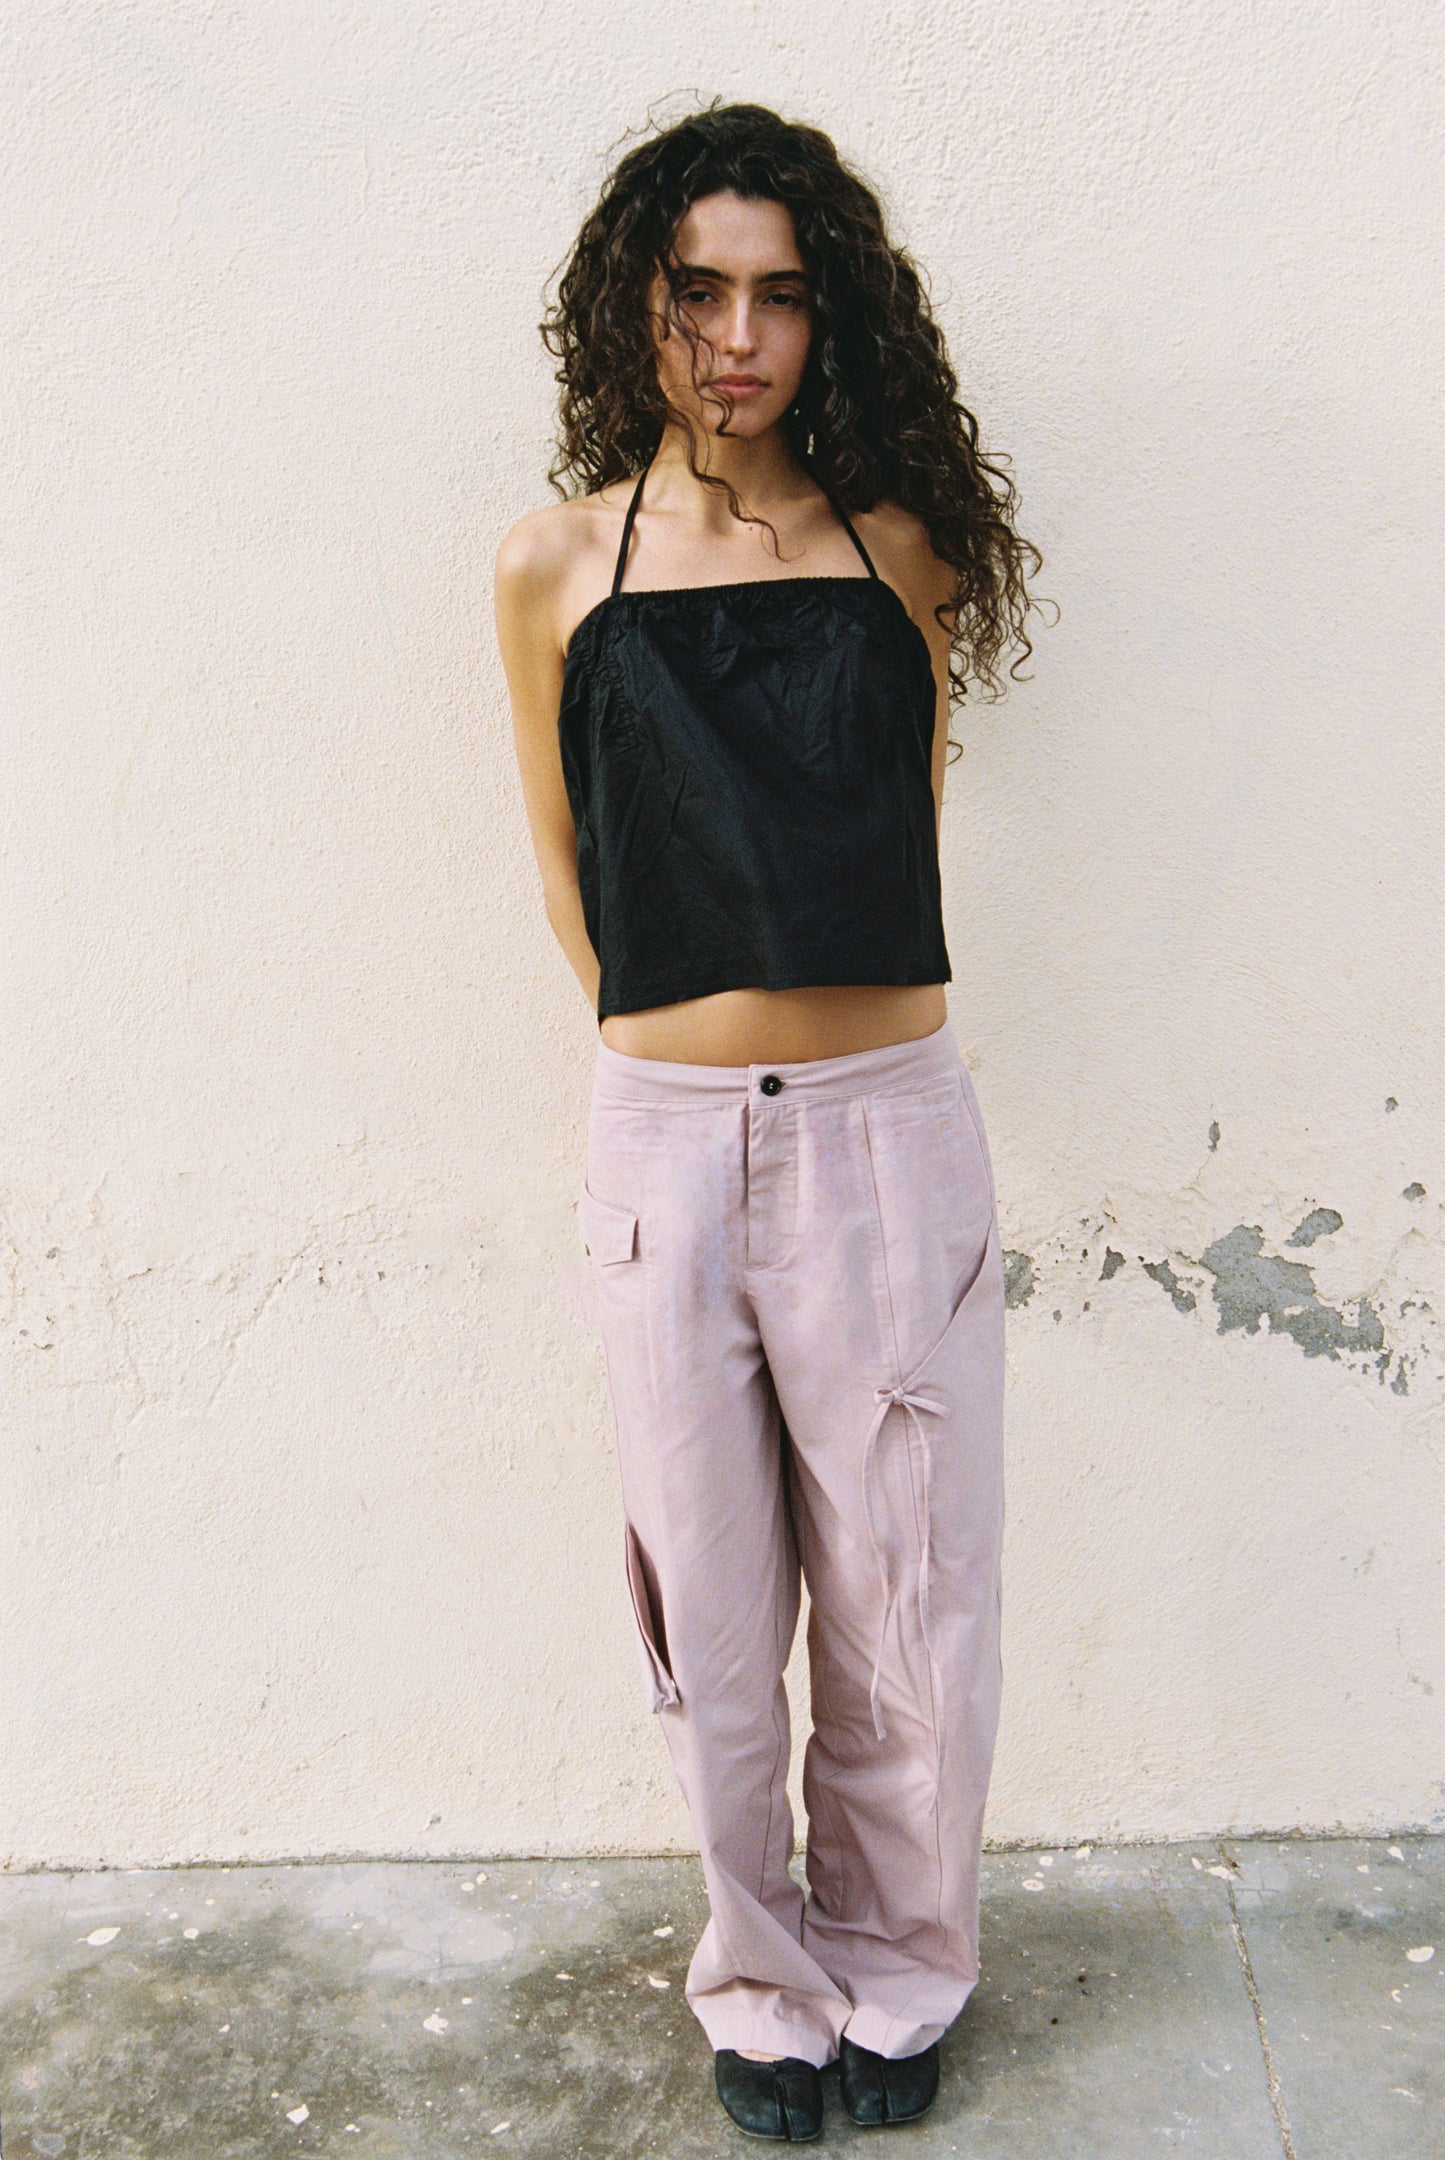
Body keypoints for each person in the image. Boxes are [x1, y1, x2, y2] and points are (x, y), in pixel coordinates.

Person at [494, 101, 1039, 2142]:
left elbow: (891, 824)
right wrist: (685, 1083)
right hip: (664, 1147)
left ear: (834, 322)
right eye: (700, 288)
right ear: (635, 303)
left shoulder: (897, 551)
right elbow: (573, 885)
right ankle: (762, 1981)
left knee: (907, 1595)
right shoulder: (552, 565)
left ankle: (901, 1970)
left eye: (783, 295)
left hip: (890, 1135)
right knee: (709, 1609)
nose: (740, 336)